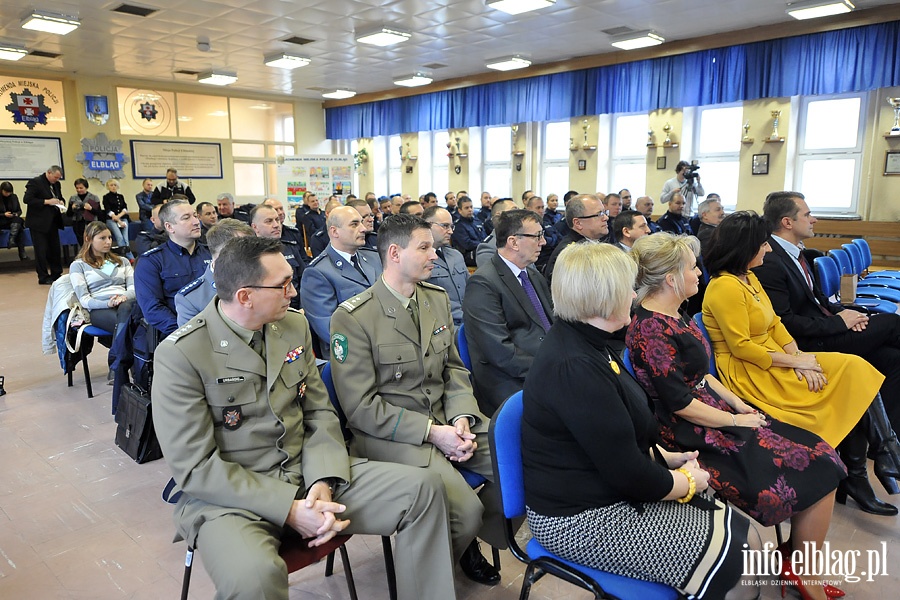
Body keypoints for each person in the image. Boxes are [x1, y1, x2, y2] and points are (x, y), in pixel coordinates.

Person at [153, 235, 457, 600]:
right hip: (232, 499)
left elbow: (319, 413)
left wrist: (322, 480)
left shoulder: (292, 327)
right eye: (282, 285)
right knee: (254, 577)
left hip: (308, 472)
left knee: (423, 490)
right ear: (245, 296)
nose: (294, 292)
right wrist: (289, 508)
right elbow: (196, 468)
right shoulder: (183, 354)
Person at [522, 241, 757, 600]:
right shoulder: (574, 366)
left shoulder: (593, 342)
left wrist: (669, 461)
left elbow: (622, 436)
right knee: (737, 558)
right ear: (602, 297)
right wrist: (686, 483)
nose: (633, 295)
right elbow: (626, 471)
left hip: (605, 491)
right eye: (625, 288)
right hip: (578, 519)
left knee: (745, 537)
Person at [627, 233, 847, 600]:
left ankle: (796, 561)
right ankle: (800, 571)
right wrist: (734, 421)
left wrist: (738, 404)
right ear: (670, 279)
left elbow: (703, 375)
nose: (700, 272)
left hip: (713, 412)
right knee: (819, 468)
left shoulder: (673, 314)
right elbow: (679, 403)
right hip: (689, 432)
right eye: (691, 267)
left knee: (823, 455)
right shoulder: (650, 328)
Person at [330, 214, 504, 587]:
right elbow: (360, 408)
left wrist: (460, 417)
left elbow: (454, 371)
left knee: (524, 462)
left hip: (448, 420)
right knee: (466, 510)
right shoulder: (354, 317)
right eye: (424, 248)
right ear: (394, 252)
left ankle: (460, 544)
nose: (435, 256)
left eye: (433, 248)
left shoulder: (434, 299)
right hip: (395, 434)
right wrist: (432, 432)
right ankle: (455, 539)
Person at [702, 212, 893, 516]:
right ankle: (874, 464)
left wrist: (802, 359)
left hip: (776, 356)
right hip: (752, 371)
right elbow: (742, 348)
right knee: (848, 379)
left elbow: (776, 324)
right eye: (762, 244)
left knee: (854, 370)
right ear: (745, 247)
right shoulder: (725, 287)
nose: (767, 249)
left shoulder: (748, 277)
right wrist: (794, 362)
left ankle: (882, 454)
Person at [754, 191, 900, 513]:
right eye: (808, 214)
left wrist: (851, 315)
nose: (814, 218)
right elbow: (787, 323)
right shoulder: (770, 260)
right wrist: (840, 324)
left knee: (891, 358)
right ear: (787, 222)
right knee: (893, 324)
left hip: (829, 331)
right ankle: (888, 450)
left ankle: (874, 459)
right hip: (809, 346)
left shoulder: (797, 253)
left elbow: (820, 301)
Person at [464, 210, 552, 416]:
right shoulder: (483, 283)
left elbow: (552, 324)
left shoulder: (532, 274)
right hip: (507, 378)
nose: (544, 242)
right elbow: (500, 353)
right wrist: (550, 368)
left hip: (543, 363)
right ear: (513, 242)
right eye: (537, 236)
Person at [299, 205, 382, 357]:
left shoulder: (373, 258)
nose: (363, 229)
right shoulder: (318, 272)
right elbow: (332, 331)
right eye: (354, 224)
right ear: (334, 231)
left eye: (361, 223)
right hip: (353, 356)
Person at [68, 222, 136, 382]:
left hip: (126, 303)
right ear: (88, 239)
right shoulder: (79, 266)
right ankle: (130, 366)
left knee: (126, 309)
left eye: (110, 237)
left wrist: (124, 296)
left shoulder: (122, 261)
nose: (108, 242)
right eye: (102, 238)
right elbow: (85, 299)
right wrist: (107, 304)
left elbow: (135, 289)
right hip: (100, 309)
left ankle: (117, 366)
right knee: (130, 325)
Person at [135, 200, 211, 337]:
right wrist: (187, 332)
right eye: (186, 218)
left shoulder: (212, 253)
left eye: (195, 215)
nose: (196, 222)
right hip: (179, 333)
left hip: (217, 327)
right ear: (169, 227)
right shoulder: (151, 261)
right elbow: (153, 309)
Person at [176, 218, 254, 327]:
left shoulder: (264, 281)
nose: (252, 255)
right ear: (223, 253)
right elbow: (194, 342)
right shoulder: (191, 299)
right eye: (244, 249)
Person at [543, 194, 608, 283]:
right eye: (599, 214)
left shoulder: (592, 243)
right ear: (578, 223)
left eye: (605, 212)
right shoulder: (570, 253)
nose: (606, 218)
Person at [251, 205, 303, 309]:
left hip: (295, 307)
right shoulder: (249, 255)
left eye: (277, 220)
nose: (276, 225)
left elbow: (304, 281)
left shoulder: (290, 247)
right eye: (269, 221)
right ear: (255, 227)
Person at [423, 206, 468, 327]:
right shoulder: (420, 259)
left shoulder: (456, 255)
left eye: (451, 226)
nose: (451, 231)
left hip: (469, 319)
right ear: (428, 226)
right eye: (445, 226)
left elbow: (470, 288)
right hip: (442, 324)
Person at [23, 165, 65, 285]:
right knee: (41, 251)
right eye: (55, 177)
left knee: (55, 249)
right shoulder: (35, 182)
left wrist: (61, 201)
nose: (56, 180)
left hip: (53, 222)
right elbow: (27, 199)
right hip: (38, 223)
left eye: (58, 178)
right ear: (49, 173)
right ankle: (43, 276)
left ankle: (56, 273)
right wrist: (47, 202)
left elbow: (59, 197)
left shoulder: (56, 184)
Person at [474, 199, 515, 268]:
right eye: (514, 211)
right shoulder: (488, 248)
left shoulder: (522, 240)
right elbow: (492, 277)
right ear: (499, 216)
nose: (520, 215)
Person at [102, 179, 134, 260]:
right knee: (119, 237)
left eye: (115, 185)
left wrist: (119, 217)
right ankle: (124, 257)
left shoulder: (120, 196)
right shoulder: (106, 197)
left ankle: (129, 257)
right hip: (111, 220)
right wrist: (118, 220)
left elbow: (125, 208)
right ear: (108, 187)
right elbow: (108, 210)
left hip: (122, 218)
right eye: (111, 185)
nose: (113, 187)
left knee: (125, 238)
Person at [66, 178, 102, 249]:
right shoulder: (73, 198)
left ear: (86, 187)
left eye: (81, 188)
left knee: (92, 243)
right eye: (77, 188)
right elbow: (68, 214)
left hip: (91, 223)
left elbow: (99, 213)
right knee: (81, 243)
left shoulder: (94, 197)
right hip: (78, 223)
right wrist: (72, 208)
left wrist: (91, 209)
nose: (79, 190)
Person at [0, 181, 27, 260]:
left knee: (18, 220)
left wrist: (16, 214)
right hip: (1, 220)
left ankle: (11, 239)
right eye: (6, 192)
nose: (8, 194)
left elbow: (19, 210)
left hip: (12, 220)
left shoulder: (14, 197)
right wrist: (4, 214)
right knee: (19, 229)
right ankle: (21, 253)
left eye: (9, 192)